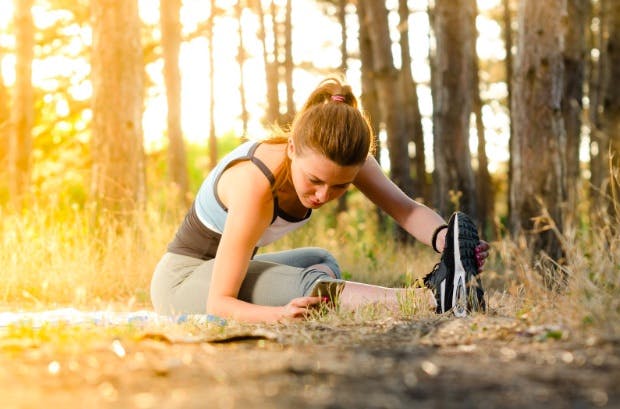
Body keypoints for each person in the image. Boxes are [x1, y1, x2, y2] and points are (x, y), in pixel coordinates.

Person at [150, 77, 490, 323]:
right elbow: (218, 303)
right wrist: (277, 314)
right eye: (314, 180)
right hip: (182, 284)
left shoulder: (342, 158)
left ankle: (447, 290)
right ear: (292, 149)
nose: (323, 195)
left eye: (340, 187)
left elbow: (407, 210)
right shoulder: (254, 185)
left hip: (225, 272)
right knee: (311, 287)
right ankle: (432, 300)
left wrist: (448, 242)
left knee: (322, 260)